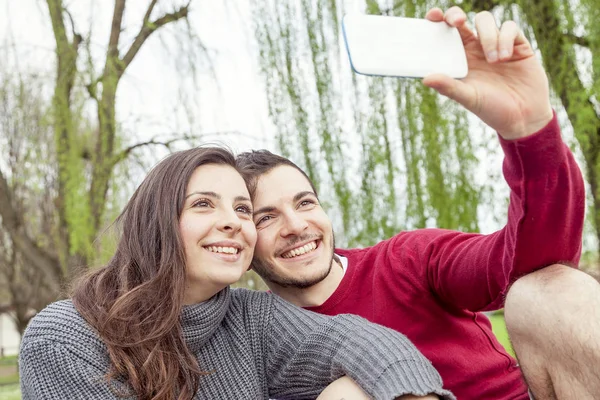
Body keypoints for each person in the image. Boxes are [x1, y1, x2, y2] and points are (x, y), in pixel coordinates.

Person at [237, 6, 600, 400]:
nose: (295, 225)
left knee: (549, 290)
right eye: (266, 217)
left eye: (305, 202)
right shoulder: (255, 331)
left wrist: (528, 132)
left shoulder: (405, 261)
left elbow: (530, 261)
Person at [18, 147, 452, 400]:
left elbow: (374, 345)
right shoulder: (64, 338)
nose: (233, 222)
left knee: (356, 388)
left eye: (242, 209)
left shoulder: (251, 318)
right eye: (204, 204)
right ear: (156, 222)